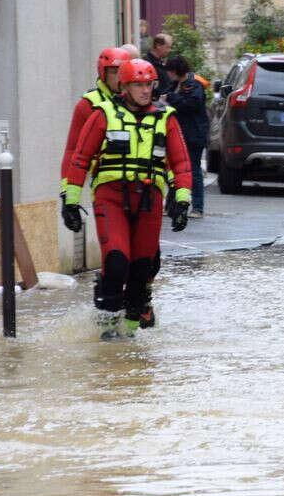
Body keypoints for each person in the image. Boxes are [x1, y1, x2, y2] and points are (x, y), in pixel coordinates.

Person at [61, 59, 193, 339]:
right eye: (139, 85)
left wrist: (182, 200)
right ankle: (108, 324)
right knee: (118, 260)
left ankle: (130, 332)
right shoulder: (103, 114)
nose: (145, 90)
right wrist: (70, 201)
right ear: (125, 86)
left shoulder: (165, 117)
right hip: (111, 197)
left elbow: (180, 163)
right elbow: (80, 158)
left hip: (149, 200)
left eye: (149, 84)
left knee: (142, 267)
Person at [61, 47, 129, 201]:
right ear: (103, 73)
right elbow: (72, 150)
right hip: (100, 181)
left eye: (123, 71)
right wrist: (67, 191)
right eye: (113, 72)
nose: (119, 77)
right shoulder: (87, 105)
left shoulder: (139, 102)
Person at [165, 55, 208, 217]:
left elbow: (191, 104)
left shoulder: (194, 84)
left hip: (193, 134)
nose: (167, 74)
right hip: (180, 133)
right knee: (174, 170)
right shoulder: (177, 84)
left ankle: (198, 207)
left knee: (194, 170)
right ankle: (172, 205)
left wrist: (170, 98)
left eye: (169, 71)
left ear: (175, 71)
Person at [144, 33, 173, 100]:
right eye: (167, 47)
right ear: (158, 46)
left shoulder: (161, 62)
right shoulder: (148, 64)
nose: (169, 50)